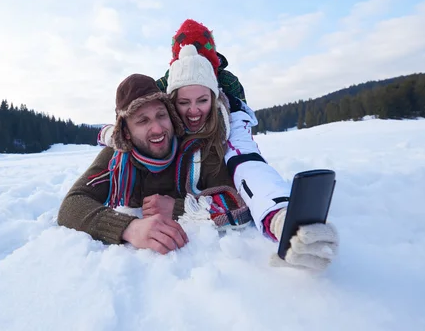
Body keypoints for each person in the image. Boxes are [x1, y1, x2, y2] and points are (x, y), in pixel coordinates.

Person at [97, 19, 340, 271]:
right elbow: (78, 200)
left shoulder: (226, 125)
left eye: (202, 100)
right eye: (183, 102)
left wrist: (279, 216)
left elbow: (246, 166)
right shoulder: (151, 123)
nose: (192, 111)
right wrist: (112, 135)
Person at [57, 74, 250, 255]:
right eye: (143, 121)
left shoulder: (198, 151)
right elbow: (72, 204)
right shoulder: (117, 160)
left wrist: (178, 208)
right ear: (126, 131)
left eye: (161, 115)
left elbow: (236, 202)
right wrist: (129, 228)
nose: (158, 129)